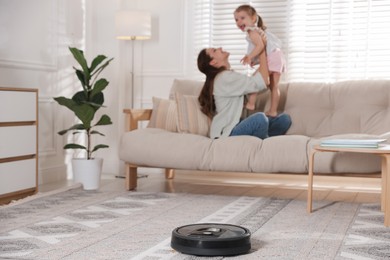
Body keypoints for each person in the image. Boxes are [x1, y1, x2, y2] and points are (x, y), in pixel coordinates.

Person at [197, 47, 291, 140]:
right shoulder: (224, 77)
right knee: (260, 119)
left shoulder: (227, 76)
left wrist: (269, 65)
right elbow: (260, 82)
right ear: (213, 62)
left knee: (284, 120)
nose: (220, 48)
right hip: (228, 132)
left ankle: (264, 137)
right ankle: (265, 143)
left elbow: (255, 86)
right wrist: (261, 50)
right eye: (214, 50)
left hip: (239, 124)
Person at [234, 4, 286, 117]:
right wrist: (254, 60)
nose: (238, 22)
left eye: (242, 18)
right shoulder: (259, 30)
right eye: (236, 19)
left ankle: (251, 103)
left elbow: (260, 46)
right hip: (278, 56)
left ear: (253, 18)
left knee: (255, 80)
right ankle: (273, 111)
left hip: (273, 56)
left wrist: (249, 56)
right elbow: (266, 50)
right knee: (274, 87)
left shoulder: (252, 31)